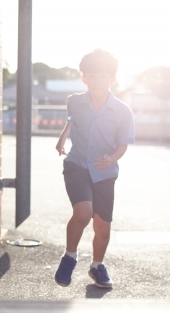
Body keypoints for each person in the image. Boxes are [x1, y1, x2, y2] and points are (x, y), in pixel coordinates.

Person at [54, 49, 135, 288]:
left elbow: (123, 144)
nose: (98, 80)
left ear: (112, 79)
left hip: (104, 172)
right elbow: (72, 120)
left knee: (102, 226)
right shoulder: (74, 101)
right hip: (77, 164)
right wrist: (62, 139)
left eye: (103, 75)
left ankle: (97, 266)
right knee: (83, 213)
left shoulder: (122, 111)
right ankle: (69, 257)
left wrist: (111, 159)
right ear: (84, 78)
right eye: (93, 75)